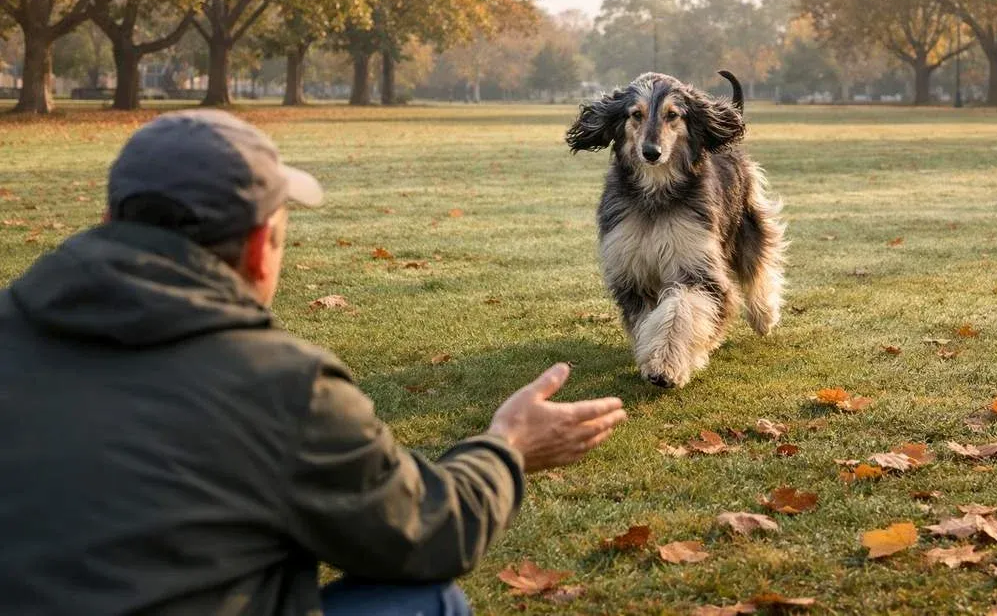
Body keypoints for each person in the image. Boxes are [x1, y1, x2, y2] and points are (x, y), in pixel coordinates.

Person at [0, 110, 627, 616]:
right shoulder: (284, 384)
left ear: (110, 219)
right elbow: (428, 533)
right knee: (422, 600)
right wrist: (508, 446)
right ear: (258, 248)